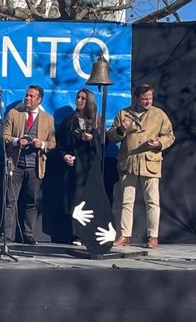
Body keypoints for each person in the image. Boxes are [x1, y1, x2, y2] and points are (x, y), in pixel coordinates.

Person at [107, 83, 175, 248]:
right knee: (126, 201)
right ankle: (125, 235)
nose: (148, 102)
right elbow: (111, 136)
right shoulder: (124, 113)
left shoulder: (159, 115)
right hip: (128, 162)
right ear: (136, 98)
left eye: (150, 98)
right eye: (144, 99)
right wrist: (121, 129)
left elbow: (170, 136)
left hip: (150, 162)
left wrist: (158, 143)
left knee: (152, 201)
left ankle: (153, 236)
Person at [1, 84, 56, 245]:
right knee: (10, 200)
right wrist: (18, 141)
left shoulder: (47, 119)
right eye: (26, 95)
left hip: (35, 165)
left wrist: (42, 144)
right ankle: (7, 234)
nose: (27, 98)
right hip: (16, 164)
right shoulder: (14, 114)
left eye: (32, 96)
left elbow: (53, 143)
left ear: (39, 100)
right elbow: (4, 136)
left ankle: (27, 233)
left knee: (31, 201)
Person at [57, 88, 100, 244]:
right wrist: (64, 155)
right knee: (76, 199)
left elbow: (103, 143)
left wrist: (92, 138)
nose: (79, 100)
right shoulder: (69, 120)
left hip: (91, 165)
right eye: (77, 97)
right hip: (75, 165)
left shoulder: (96, 121)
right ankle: (77, 234)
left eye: (83, 98)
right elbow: (59, 143)